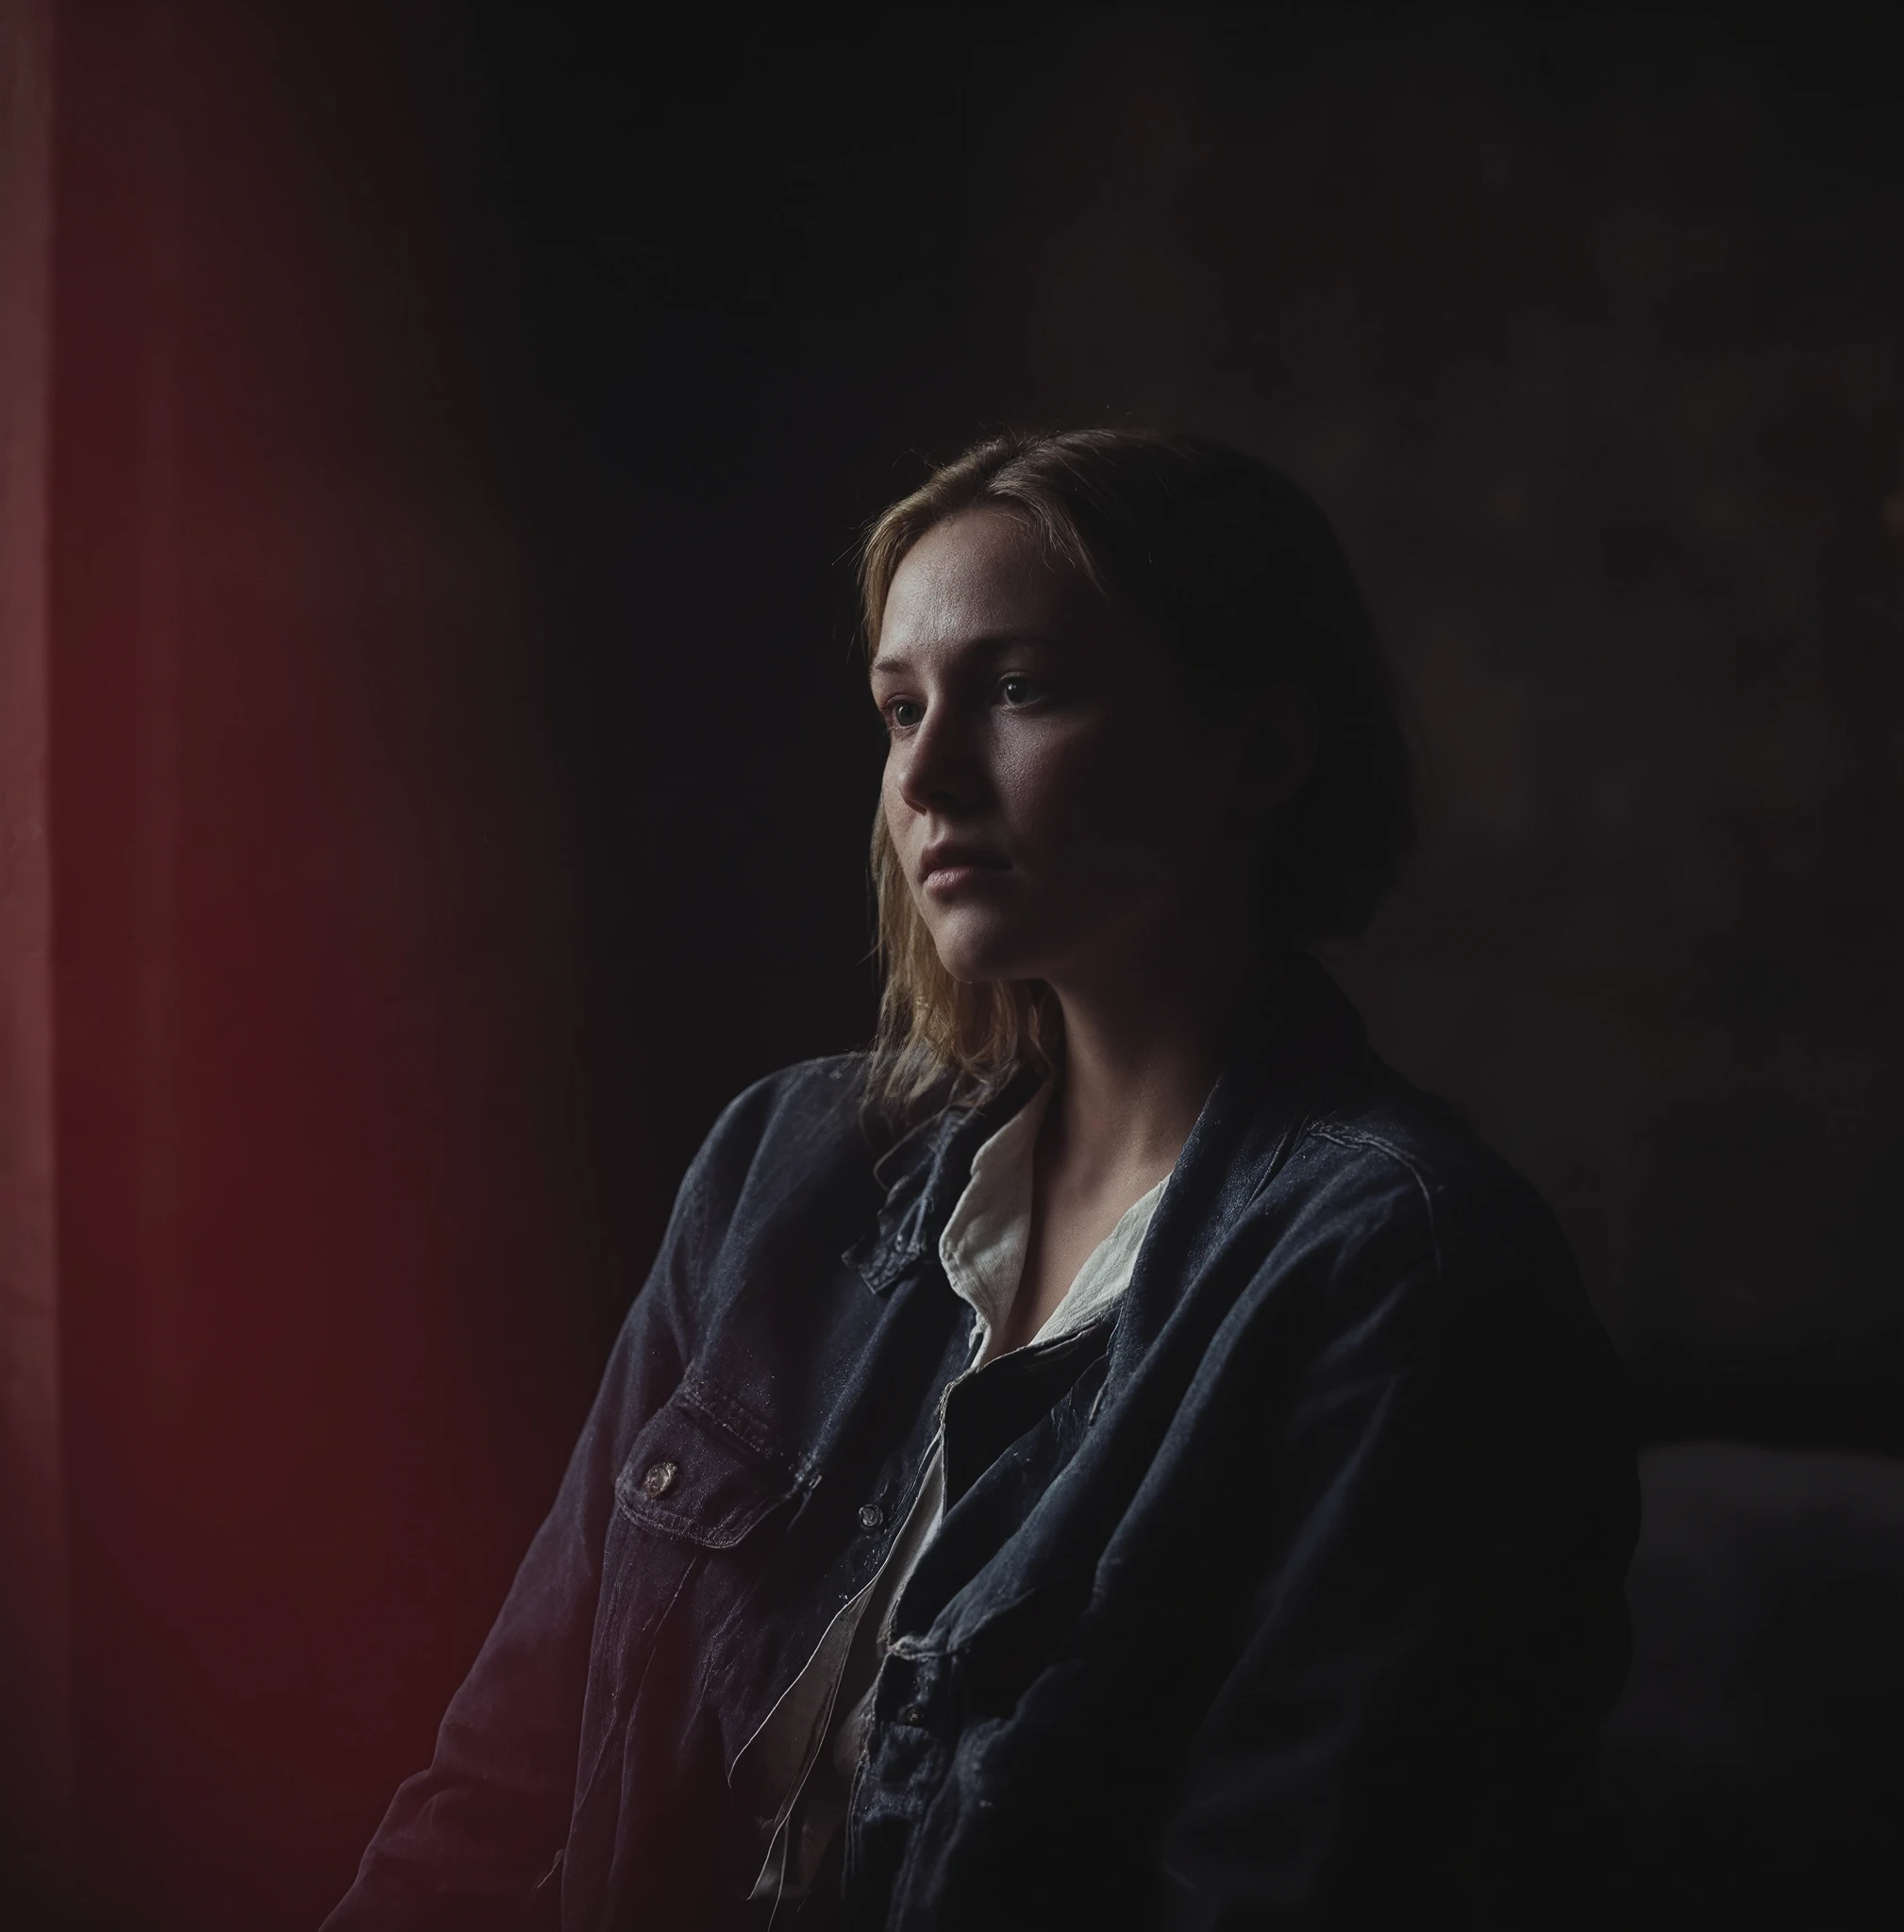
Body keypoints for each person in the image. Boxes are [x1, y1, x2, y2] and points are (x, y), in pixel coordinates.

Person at [324, 428, 1637, 1931]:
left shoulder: (1402, 1269)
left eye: (1020, 691)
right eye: (899, 708)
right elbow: (508, 1772)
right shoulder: (787, 1167)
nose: (928, 774)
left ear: (1256, 753)